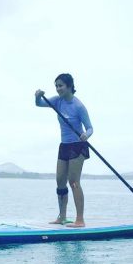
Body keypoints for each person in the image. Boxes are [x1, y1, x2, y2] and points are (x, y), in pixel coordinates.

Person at [35, 73, 93, 227]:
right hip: (64, 146)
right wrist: (37, 96)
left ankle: (80, 220)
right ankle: (62, 217)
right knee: (60, 181)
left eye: (60, 85)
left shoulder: (78, 106)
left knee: (73, 182)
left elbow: (90, 128)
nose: (58, 88)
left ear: (69, 86)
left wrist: (85, 135)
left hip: (77, 145)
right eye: (56, 86)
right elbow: (39, 104)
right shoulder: (57, 101)